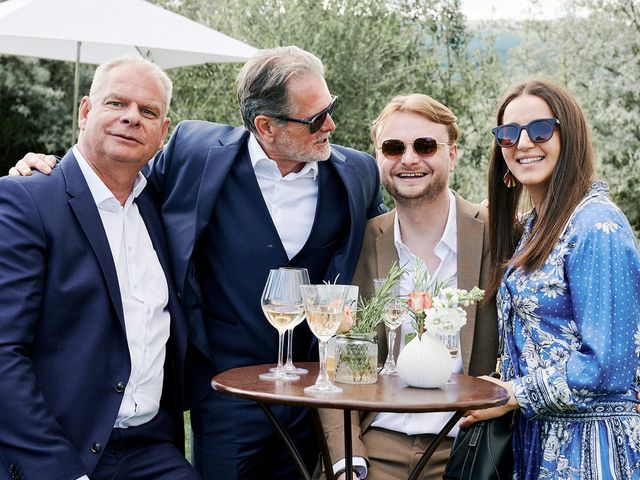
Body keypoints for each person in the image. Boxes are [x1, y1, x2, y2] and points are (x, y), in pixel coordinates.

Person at [10, 45, 384, 480]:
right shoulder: (194, 152)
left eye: (329, 109)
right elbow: (109, 175)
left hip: (310, 398)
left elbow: (388, 241)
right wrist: (49, 165)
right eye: (316, 118)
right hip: (224, 399)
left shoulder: (356, 173)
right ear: (266, 125)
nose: (331, 125)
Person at [0, 57, 199, 480]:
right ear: (85, 112)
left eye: (148, 112)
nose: (132, 118)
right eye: (116, 103)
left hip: (150, 448)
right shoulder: (26, 201)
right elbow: (3, 352)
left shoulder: (161, 208)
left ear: (163, 133)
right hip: (60, 448)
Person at [459, 78, 640, 479]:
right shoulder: (533, 229)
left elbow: (610, 364)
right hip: (533, 440)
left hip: (589, 449)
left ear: (569, 136)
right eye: (508, 135)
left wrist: (513, 393)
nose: (523, 144)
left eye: (540, 129)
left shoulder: (597, 227)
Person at [318, 94, 498, 480]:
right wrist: (347, 460)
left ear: (452, 155)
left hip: (467, 444)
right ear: (379, 159)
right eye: (393, 147)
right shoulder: (360, 242)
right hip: (373, 445)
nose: (409, 159)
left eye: (426, 145)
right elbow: (332, 360)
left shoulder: (498, 236)